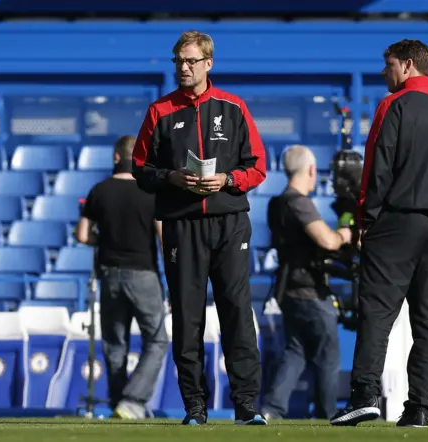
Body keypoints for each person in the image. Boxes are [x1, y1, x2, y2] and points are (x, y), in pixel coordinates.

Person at [330, 39, 428, 428]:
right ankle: (420, 408)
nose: (384, 72)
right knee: (427, 317)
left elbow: (377, 167)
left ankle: (364, 395)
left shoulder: (393, 106)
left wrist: (366, 219)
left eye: (389, 64)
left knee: (377, 311)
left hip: (395, 221)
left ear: (408, 65)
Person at [132, 30, 267, 426]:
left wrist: (226, 180)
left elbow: (257, 166)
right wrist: (172, 177)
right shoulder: (159, 111)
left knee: (237, 314)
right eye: (178, 61)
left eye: (191, 61)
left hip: (229, 224)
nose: (184, 68)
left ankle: (246, 406)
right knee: (188, 319)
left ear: (209, 63)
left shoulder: (233, 106)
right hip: (182, 225)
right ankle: (195, 407)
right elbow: (141, 169)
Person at [76, 135, 168, 420]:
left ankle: (120, 401)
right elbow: (164, 238)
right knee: (157, 340)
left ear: (116, 157)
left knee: (115, 343)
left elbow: (82, 235)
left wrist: (102, 242)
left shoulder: (99, 191)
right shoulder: (151, 193)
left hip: (110, 275)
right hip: (143, 273)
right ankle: (133, 401)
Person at [260, 145, 352, 421]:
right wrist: (346, 234)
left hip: (287, 289)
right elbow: (327, 240)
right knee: (327, 355)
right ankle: (326, 416)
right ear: (311, 170)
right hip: (310, 290)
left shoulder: (275, 203)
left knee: (296, 350)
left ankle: (272, 408)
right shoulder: (299, 203)